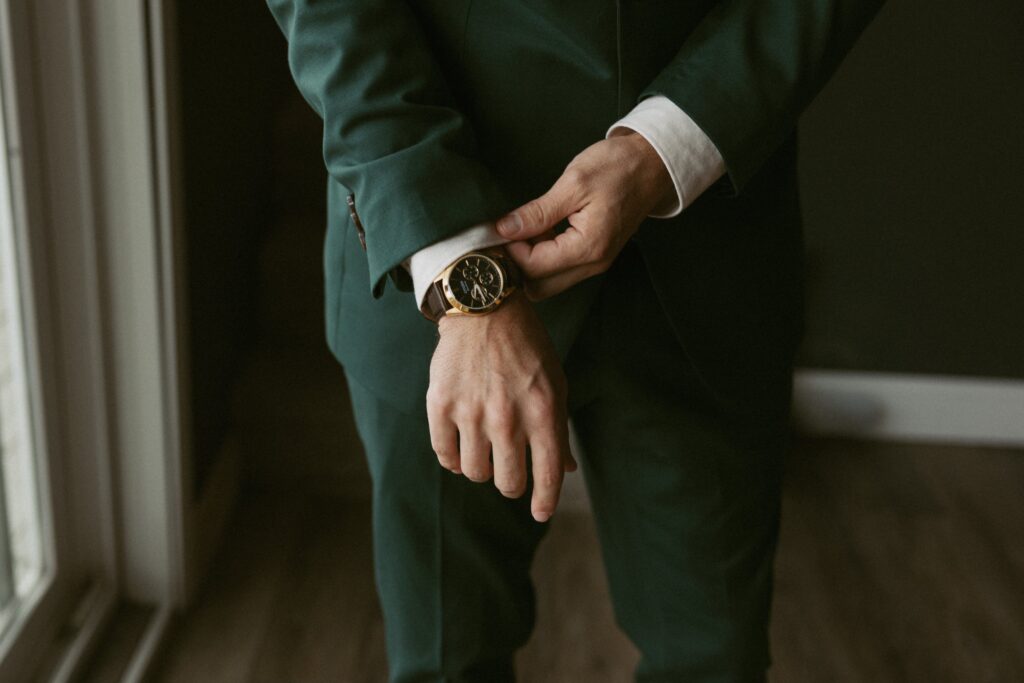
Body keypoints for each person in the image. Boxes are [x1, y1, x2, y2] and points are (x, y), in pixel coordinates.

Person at [265, 1, 883, 680]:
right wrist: (467, 281)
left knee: (714, 657)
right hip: (436, 249)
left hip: (706, 247)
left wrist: (664, 147)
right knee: (446, 658)